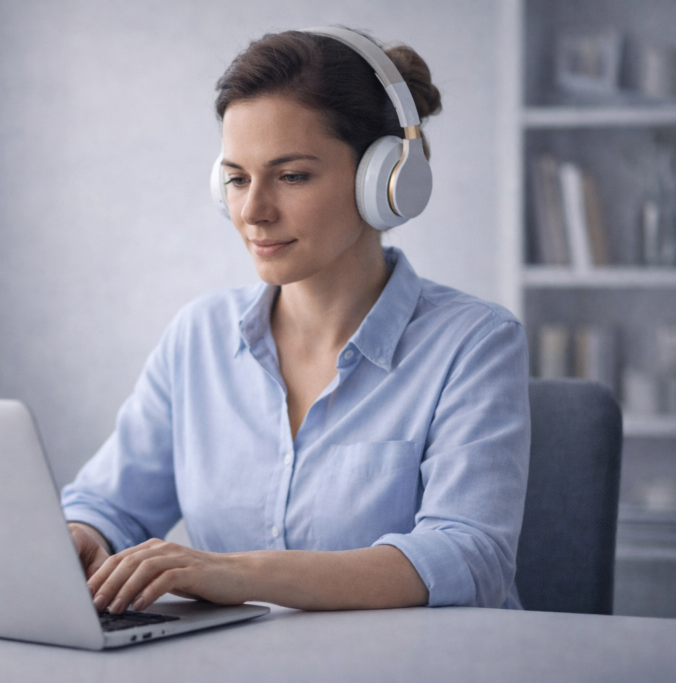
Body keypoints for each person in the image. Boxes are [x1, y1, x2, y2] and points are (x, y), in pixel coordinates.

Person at [61, 28, 530, 615]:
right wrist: (84, 534)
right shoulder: (199, 336)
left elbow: (468, 557)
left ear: (385, 180)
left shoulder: (474, 343)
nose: (253, 211)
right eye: (237, 179)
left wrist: (241, 573)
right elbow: (110, 504)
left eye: (292, 176)